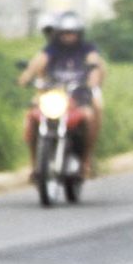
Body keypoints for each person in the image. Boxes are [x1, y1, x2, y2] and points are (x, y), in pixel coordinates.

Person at [17, 10, 105, 179]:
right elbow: (37, 64)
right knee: (31, 117)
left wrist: (92, 83)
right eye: (64, 33)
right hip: (54, 96)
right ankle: (35, 165)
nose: (68, 36)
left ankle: (86, 160)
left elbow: (95, 66)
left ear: (79, 33)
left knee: (91, 114)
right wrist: (26, 77)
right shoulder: (52, 49)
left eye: (71, 33)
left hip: (79, 96)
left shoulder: (87, 49)